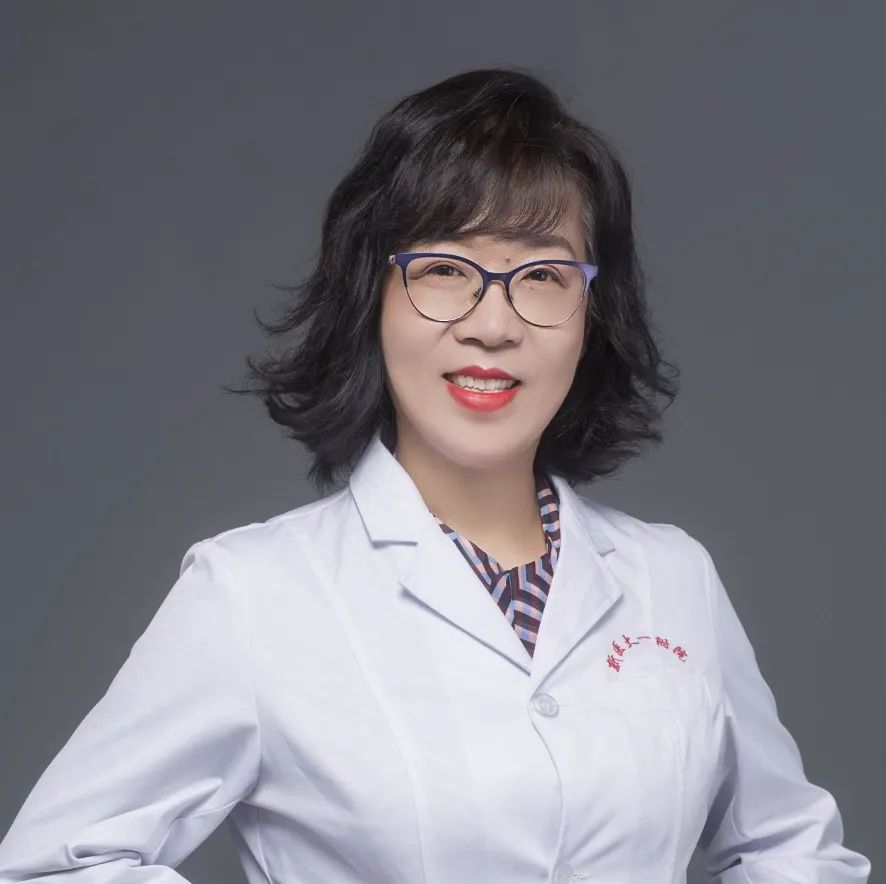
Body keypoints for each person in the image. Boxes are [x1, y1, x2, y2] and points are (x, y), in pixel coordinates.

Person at [0, 68, 871, 884]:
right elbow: (50, 867)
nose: (493, 324)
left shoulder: (672, 578)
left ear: (592, 316)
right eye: (446, 270)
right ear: (370, 296)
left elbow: (791, 851)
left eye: (542, 275)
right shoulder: (251, 595)